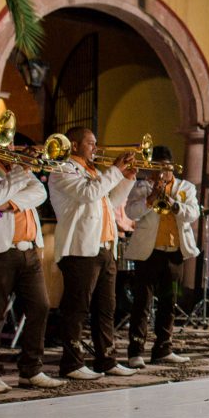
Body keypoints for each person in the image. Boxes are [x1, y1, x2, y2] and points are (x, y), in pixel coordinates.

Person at [0, 142, 65, 392]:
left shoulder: (13, 168)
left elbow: (39, 193)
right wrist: (20, 171)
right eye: (3, 142)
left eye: (9, 142)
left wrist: (10, 202)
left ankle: (31, 370)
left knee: (40, 306)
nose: (9, 147)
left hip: (28, 249)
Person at [48, 127, 138, 380]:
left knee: (106, 308)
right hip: (79, 249)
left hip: (104, 247)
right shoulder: (63, 169)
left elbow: (108, 200)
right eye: (90, 143)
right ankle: (72, 363)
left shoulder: (95, 172)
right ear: (74, 145)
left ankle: (106, 359)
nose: (96, 148)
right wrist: (115, 172)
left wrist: (127, 179)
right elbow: (89, 194)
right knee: (76, 309)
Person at [124, 146, 199, 368]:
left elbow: (193, 213)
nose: (160, 174)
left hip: (175, 253)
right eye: (155, 169)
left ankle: (163, 348)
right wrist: (150, 199)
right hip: (148, 253)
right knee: (142, 303)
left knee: (170, 301)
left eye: (164, 169)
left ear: (171, 167)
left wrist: (174, 204)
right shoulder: (141, 186)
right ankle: (135, 351)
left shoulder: (186, 188)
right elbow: (130, 213)